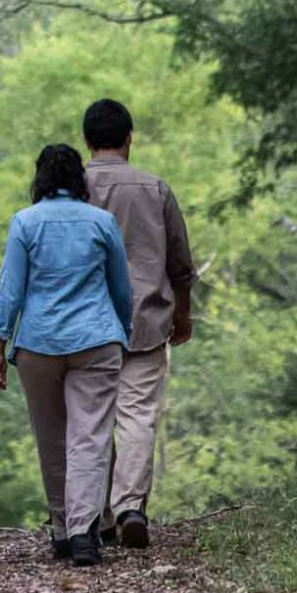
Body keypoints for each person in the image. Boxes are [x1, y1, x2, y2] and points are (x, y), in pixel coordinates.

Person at [0, 143, 133, 567]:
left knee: (51, 438)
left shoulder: (24, 222)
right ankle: (84, 532)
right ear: (79, 180)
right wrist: (121, 333)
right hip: (95, 340)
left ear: (40, 180)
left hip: (38, 344)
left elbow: (11, 289)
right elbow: (121, 288)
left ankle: (60, 530)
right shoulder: (102, 222)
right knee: (89, 438)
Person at [82, 98, 197, 549]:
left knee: (92, 417)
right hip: (147, 318)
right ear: (129, 138)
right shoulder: (155, 189)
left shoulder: (74, 190)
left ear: (87, 142)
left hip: (87, 324)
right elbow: (179, 260)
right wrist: (182, 313)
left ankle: (101, 513)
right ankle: (131, 505)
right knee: (137, 416)